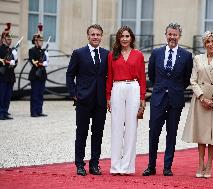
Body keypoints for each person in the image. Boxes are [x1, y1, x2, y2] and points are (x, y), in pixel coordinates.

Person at [142, 23, 193, 176]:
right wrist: (161, 88)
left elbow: (186, 79)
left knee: (171, 133)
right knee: (154, 133)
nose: (172, 37)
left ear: (179, 36)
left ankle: (167, 167)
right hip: (158, 99)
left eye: (175, 35)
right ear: (166, 35)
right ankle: (151, 166)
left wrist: (174, 89)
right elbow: (151, 75)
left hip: (175, 100)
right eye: (170, 34)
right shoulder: (156, 53)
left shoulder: (186, 55)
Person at [182, 31, 213, 178]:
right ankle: (200, 164)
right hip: (200, 101)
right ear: (204, 44)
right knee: (202, 134)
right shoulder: (197, 58)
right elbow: (193, 80)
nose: (210, 44)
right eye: (208, 42)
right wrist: (202, 98)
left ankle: (209, 165)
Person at [66, 24, 109, 176]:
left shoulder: (106, 54)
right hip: (83, 100)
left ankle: (94, 164)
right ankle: (79, 164)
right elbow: (70, 74)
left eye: (98, 34)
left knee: (98, 133)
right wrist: (74, 93)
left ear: (101, 36)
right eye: (93, 34)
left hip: (100, 101)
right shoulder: (78, 53)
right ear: (88, 36)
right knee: (82, 133)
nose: (95, 37)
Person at [106, 26, 146, 175]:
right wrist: (108, 97)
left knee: (131, 127)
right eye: (122, 36)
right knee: (116, 127)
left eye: (127, 36)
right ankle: (115, 166)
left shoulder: (138, 55)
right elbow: (109, 77)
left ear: (131, 38)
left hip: (134, 88)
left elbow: (142, 77)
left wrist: (142, 97)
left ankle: (128, 167)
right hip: (117, 87)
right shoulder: (112, 55)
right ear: (118, 38)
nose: (124, 38)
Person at [28, 23, 49, 117]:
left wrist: (46, 60)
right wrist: (41, 63)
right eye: (39, 41)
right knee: (35, 94)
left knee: (40, 94)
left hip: (42, 74)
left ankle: (39, 110)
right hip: (35, 74)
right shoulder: (32, 50)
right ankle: (34, 112)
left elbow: (46, 61)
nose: (41, 42)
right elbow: (33, 61)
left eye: (41, 41)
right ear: (35, 42)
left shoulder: (43, 51)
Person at [0, 23, 18, 120]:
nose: (10, 41)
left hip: (10, 76)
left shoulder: (12, 50)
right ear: (3, 39)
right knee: (1, 95)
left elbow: (15, 63)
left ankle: (5, 112)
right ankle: (1, 113)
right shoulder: (0, 49)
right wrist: (7, 61)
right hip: (2, 75)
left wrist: (15, 59)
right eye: (8, 39)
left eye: (10, 39)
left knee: (7, 96)